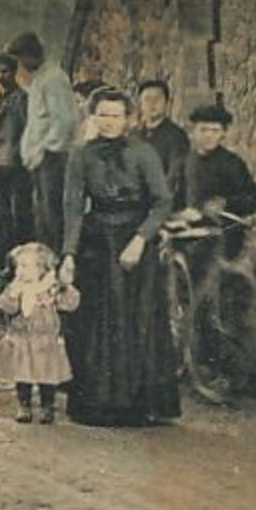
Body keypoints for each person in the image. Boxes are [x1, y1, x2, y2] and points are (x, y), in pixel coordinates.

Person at [60, 89, 178, 427]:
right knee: (97, 320)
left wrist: (141, 240)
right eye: (103, 115)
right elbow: (72, 208)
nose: (109, 122)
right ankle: (99, 405)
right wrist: (69, 254)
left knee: (137, 317)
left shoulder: (145, 153)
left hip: (135, 240)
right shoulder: (81, 156)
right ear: (93, 117)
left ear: (128, 119)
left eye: (116, 115)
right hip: (98, 243)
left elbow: (162, 203)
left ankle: (140, 405)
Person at [0, 242, 80, 424]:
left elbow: (70, 304)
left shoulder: (51, 287)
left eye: (26, 266)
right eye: (18, 266)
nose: (21, 271)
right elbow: (7, 308)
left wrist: (65, 288)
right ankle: (24, 404)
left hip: (46, 340)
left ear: (42, 268)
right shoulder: (17, 287)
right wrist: (12, 296)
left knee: (47, 375)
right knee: (22, 375)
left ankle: (47, 405)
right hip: (23, 338)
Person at [9, 31, 78, 254]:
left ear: (32, 55)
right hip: (41, 162)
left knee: (52, 216)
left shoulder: (54, 79)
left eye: (21, 59)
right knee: (43, 217)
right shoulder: (40, 80)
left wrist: (47, 151)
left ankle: (58, 262)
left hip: (52, 160)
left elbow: (65, 120)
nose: (20, 65)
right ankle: (47, 263)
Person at [172, 102, 256, 264]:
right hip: (190, 228)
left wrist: (226, 202)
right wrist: (176, 213)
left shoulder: (232, 163)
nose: (208, 136)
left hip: (225, 233)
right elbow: (174, 197)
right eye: (203, 130)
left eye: (215, 131)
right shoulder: (184, 162)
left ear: (223, 134)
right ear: (193, 131)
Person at [0, 53, 33, 260]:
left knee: (19, 215)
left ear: (14, 73)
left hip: (16, 165)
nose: (0, 76)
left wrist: (21, 156)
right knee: (2, 214)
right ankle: (8, 260)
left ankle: (22, 260)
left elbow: (28, 131)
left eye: (4, 72)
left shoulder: (22, 99)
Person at [133, 79, 190, 183]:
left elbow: (174, 176)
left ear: (167, 103)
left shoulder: (177, 136)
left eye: (157, 98)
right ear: (140, 104)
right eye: (147, 99)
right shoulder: (133, 134)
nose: (152, 103)